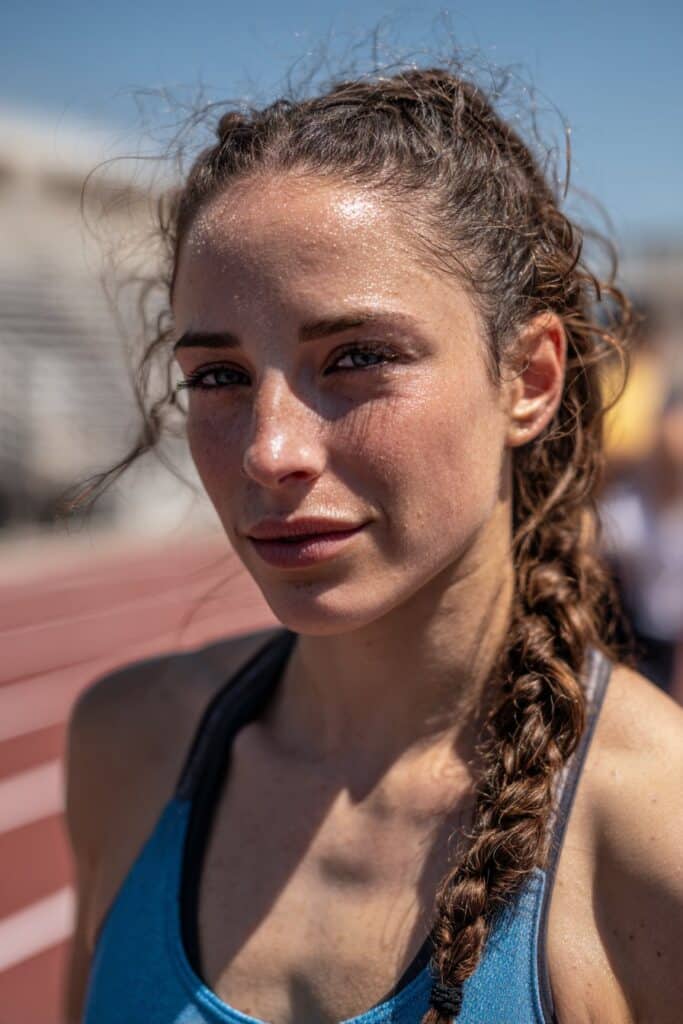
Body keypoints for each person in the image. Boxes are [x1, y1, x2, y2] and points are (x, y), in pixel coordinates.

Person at [63, 65, 683, 1024]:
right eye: (218, 374)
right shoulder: (127, 745)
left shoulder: (656, 834)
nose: (270, 451)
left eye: (355, 358)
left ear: (529, 378)